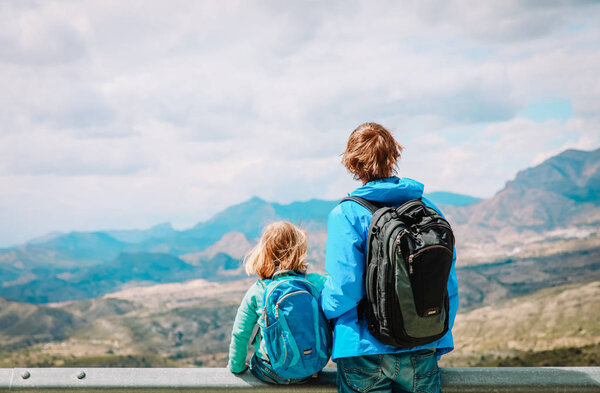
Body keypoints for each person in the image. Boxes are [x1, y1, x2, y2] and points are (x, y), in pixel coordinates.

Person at [320, 122, 459, 393]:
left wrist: (322, 308)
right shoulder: (427, 208)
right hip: (421, 343)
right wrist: (435, 332)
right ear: (394, 156)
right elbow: (446, 281)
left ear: (352, 162)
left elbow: (345, 289)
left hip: (362, 348)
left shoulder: (346, 214)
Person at [228, 221, 327, 384]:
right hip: (310, 369)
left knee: (258, 359)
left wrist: (236, 366)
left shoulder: (258, 290)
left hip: (270, 371)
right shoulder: (315, 282)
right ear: (300, 250)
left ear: (264, 251)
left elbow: (241, 333)